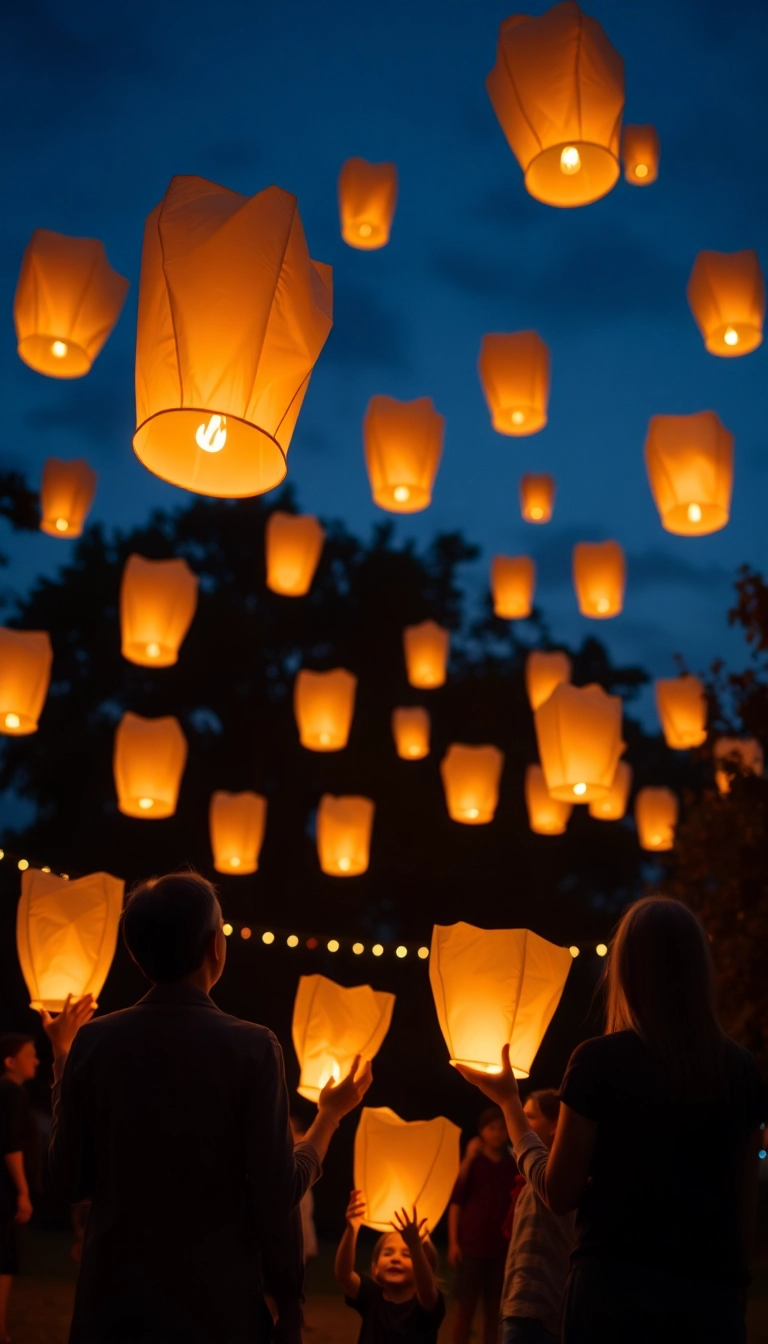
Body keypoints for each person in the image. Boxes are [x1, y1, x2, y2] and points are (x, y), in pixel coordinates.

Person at [43, 871, 372, 1344]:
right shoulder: (252, 1047)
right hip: (215, 1306)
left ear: (136, 954)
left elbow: (69, 1180)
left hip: (112, 1304)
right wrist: (330, 1115)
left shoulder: (94, 1041)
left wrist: (62, 1064)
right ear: (216, 946)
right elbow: (276, 1195)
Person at [455, 896, 767, 1344]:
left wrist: (509, 1104)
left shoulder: (600, 1061)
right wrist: (732, 1295)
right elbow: (744, 1207)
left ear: (626, 970)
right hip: (710, 1296)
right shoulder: (740, 1069)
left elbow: (559, 1193)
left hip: (614, 1292)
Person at [500, 1090, 574, 1343]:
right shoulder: (536, 1180)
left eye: (529, 1117)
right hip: (523, 1306)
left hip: (537, 1306)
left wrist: (507, 1099)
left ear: (556, 1127)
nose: (522, 1123)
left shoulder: (559, 1179)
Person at [335, 1190, 445, 1342]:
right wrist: (351, 1230)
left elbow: (427, 1289)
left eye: (407, 1254)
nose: (395, 1259)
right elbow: (344, 1274)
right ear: (376, 1268)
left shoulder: (426, 1303)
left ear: (425, 1268)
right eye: (387, 1253)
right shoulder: (372, 1296)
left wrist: (415, 1246)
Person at [448, 1105, 517, 1344]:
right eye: (492, 1128)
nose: (497, 1133)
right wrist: (454, 1243)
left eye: (502, 1128)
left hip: (501, 1247)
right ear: (481, 1132)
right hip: (471, 1246)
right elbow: (456, 1201)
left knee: (494, 1309)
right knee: (464, 1308)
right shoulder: (474, 1163)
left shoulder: (512, 1164)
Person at [0, 1034, 41, 1344]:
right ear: (10, 1062)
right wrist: (23, 1191)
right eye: (30, 1055)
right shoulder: (11, 1092)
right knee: (4, 1261)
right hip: (5, 1191)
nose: (36, 1060)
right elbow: (9, 1143)